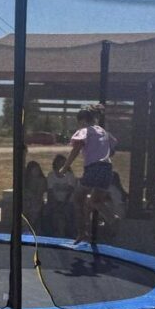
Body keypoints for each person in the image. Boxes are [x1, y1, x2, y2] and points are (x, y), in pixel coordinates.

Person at [62, 104, 119, 244]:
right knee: (94, 201)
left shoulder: (84, 131)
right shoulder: (104, 132)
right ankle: (112, 217)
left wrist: (65, 167)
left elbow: (76, 149)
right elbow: (112, 151)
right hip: (107, 169)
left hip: (93, 169)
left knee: (77, 199)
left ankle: (82, 233)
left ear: (82, 121)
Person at [45, 154, 77, 237]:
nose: (61, 165)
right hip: (54, 201)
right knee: (50, 212)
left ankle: (68, 233)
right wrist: (55, 204)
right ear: (55, 164)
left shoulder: (70, 176)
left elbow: (70, 192)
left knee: (66, 212)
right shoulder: (51, 175)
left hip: (68, 202)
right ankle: (51, 232)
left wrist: (63, 204)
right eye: (59, 163)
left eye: (63, 163)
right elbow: (50, 192)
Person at [21, 160, 47, 232]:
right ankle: (26, 228)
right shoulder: (27, 180)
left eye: (38, 169)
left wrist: (31, 195)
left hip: (37, 202)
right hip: (27, 201)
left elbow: (38, 195)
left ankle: (31, 227)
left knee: (34, 210)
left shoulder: (42, 180)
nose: (37, 171)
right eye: (35, 169)